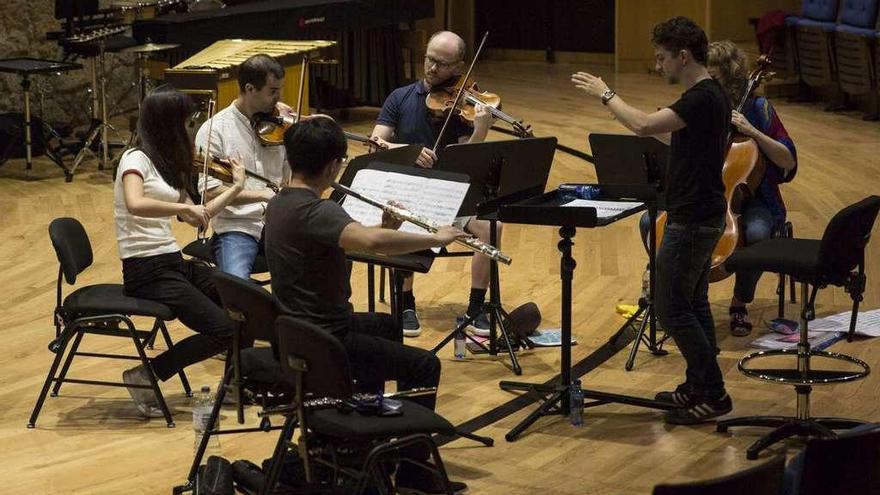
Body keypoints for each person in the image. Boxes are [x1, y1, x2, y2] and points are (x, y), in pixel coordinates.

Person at [264, 117, 468, 493]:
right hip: (328, 337)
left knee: (386, 326)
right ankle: (412, 469)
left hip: (299, 328)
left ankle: (370, 432)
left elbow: (338, 248)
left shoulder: (280, 202)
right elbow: (371, 243)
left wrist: (389, 225)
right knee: (426, 365)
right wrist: (432, 236)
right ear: (331, 166)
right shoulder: (317, 211)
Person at [571, 16, 733, 424]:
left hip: (693, 218)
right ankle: (699, 386)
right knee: (692, 303)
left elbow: (645, 125)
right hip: (701, 212)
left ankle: (713, 392)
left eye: (662, 58)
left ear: (682, 56)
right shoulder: (711, 94)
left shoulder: (699, 97)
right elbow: (668, 134)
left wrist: (605, 94)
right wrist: (625, 117)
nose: (658, 66)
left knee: (669, 306)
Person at [636, 40, 798, 336]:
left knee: (758, 234)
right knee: (649, 221)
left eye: (712, 76)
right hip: (701, 196)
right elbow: (686, 147)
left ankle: (740, 303)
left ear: (731, 77)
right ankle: (680, 300)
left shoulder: (758, 107)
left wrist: (752, 131)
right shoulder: (700, 102)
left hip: (750, 198)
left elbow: (787, 160)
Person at [115, 85, 246, 417]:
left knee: (246, 303)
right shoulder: (136, 159)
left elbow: (198, 213)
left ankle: (236, 384)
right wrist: (179, 207)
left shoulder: (166, 166)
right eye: (185, 123)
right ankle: (147, 374)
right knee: (222, 329)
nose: (189, 129)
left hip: (173, 263)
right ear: (167, 125)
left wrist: (237, 188)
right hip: (146, 270)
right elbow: (135, 203)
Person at [370, 30, 499, 337]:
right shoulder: (399, 98)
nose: (431, 68)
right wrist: (410, 153)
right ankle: (406, 302)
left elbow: (470, 160)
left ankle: (477, 307)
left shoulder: (467, 106)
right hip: (409, 190)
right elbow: (376, 143)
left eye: (441, 63)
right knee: (398, 218)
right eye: (429, 59)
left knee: (491, 227)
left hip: (450, 191)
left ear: (459, 67)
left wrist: (480, 130)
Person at [195, 54, 294, 280]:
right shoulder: (215, 130)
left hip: (279, 222)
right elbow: (209, 191)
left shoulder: (281, 124)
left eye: (280, 90)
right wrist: (263, 194)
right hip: (237, 226)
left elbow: (293, 175)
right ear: (250, 88)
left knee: (327, 256)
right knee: (236, 284)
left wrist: (303, 131)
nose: (279, 97)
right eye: (273, 91)